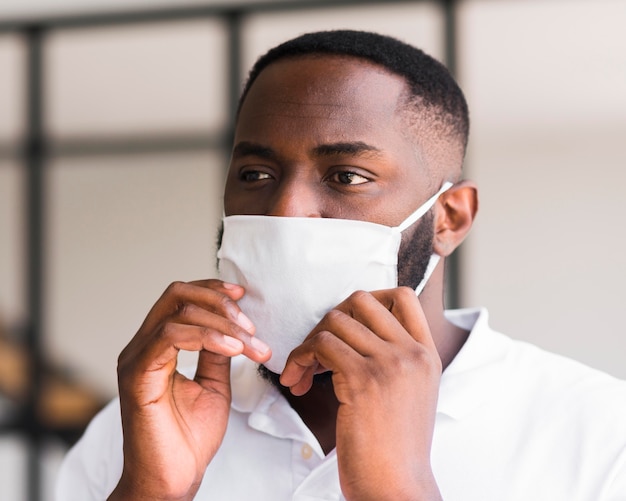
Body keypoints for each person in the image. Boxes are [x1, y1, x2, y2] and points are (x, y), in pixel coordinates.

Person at [56, 30, 626, 501]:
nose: (286, 211)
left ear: (450, 218)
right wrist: (150, 490)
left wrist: (396, 488)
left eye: (348, 176)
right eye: (256, 174)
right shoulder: (140, 426)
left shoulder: (599, 433)